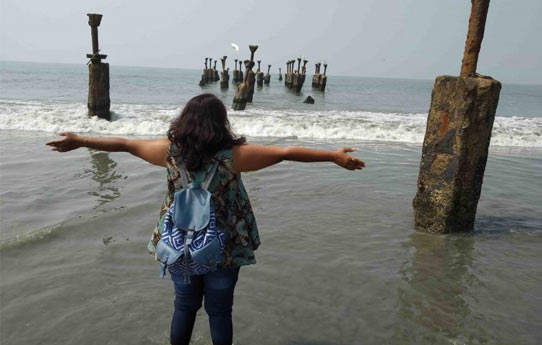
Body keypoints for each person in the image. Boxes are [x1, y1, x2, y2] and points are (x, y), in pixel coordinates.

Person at [46, 93, 365, 345]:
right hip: (224, 248)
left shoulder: (168, 153)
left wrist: (81, 141)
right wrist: (333, 156)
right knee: (220, 311)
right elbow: (285, 152)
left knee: (184, 307)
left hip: (180, 243)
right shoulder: (235, 157)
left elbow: (126, 144)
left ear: (185, 121)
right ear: (221, 123)